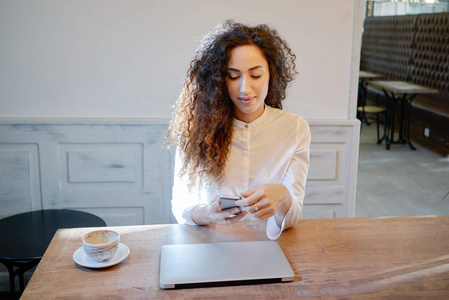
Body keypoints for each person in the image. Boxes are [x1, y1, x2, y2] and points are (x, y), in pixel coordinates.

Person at [166, 20, 311, 240]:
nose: (244, 88)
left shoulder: (294, 128)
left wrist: (284, 198)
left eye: (255, 75)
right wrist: (208, 214)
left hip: (267, 246)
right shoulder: (198, 129)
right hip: (210, 246)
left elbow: (293, 216)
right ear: (218, 80)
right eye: (233, 76)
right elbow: (181, 208)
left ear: (271, 74)